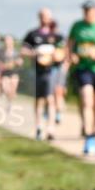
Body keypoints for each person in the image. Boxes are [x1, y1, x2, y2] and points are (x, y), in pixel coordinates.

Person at [68, 0, 95, 156]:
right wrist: (71, 55)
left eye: (89, 10)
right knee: (86, 99)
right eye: (85, 10)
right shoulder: (77, 26)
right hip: (83, 68)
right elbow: (70, 43)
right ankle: (88, 132)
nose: (87, 13)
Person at [23, 9, 65, 140]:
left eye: (47, 16)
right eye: (42, 16)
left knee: (50, 99)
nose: (44, 19)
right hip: (37, 71)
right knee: (39, 100)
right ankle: (38, 127)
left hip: (52, 71)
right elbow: (24, 50)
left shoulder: (56, 35)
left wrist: (54, 56)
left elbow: (63, 52)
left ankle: (50, 128)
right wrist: (35, 54)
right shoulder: (32, 34)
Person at [0, 35, 23, 106]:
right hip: (5, 73)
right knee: (6, 88)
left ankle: (10, 102)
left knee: (12, 89)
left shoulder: (16, 52)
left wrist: (18, 62)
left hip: (14, 72)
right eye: (6, 41)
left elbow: (20, 62)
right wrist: (6, 65)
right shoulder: (1, 53)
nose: (7, 42)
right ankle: (6, 96)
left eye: (9, 41)